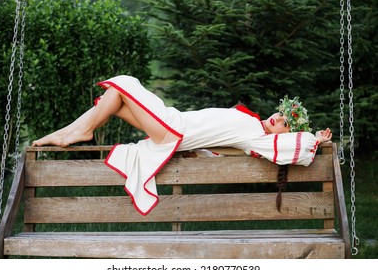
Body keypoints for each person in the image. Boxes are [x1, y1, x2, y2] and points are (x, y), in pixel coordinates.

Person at [32, 75, 332, 215]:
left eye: (284, 121)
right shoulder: (250, 122)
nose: (278, 117)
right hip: (171, 120)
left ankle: (78, 132)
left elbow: (292, 148)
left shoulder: (258, 139)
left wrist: (315, 140)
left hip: (171, 130)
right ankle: (66, 133)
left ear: (284, 133)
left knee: (125, 83)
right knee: (112, 96)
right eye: (280, 113)